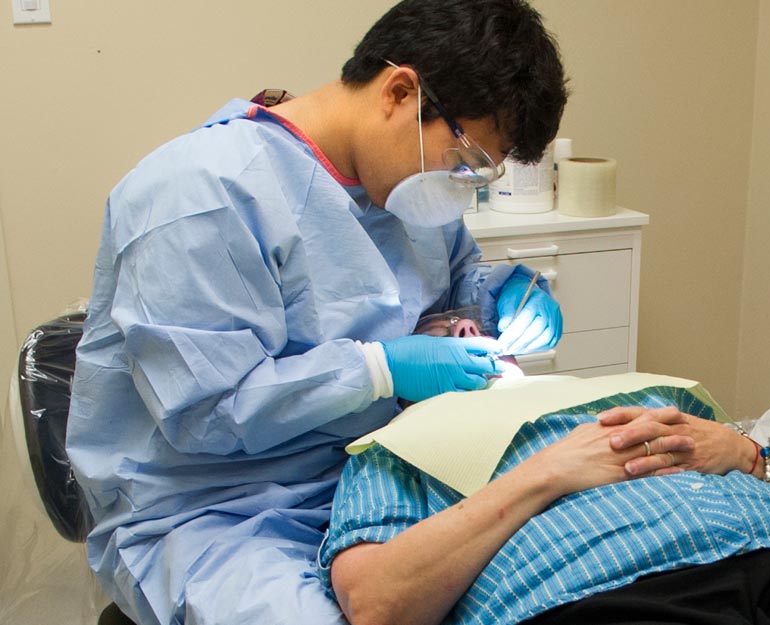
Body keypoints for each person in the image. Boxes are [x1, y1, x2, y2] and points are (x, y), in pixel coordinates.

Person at [65, 1, 567, 623]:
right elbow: (206, 413)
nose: (460, 186)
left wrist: (505, 296)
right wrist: (378, 372)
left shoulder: (397, 191)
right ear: (400, 91)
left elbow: (451, 280)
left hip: (382, 469)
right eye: (462, 163)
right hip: (216, 515)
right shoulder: (199, 194)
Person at [322, 377, 770, 625]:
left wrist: (746, 452)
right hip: (606, 594)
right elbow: (378, 601)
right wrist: (542, 476)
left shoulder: (641, 391)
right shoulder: (397, 447)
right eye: (442, 327)